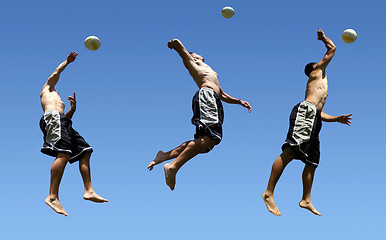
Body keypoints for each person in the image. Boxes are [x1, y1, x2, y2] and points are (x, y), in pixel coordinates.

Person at [262, 29, 353, 216]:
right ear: (314, 68)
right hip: (305, 112)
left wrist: (337, 119)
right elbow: (332, 48)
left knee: (312, 161)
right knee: (290, 152)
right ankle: (268, 192)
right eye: (319, 63)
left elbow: (320, 114)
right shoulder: (317, 72)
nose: (323, 65)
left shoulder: (321, 82)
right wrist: (323, 39)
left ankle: (306, 200)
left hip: (314, 117)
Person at [147, 39, 252, 190]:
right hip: (207, 97)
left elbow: (221, 93)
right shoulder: (195, 65)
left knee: (203, 145)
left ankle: (163, 156)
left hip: (213, 98)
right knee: (211, 138)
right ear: (194, 58)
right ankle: (172, 166)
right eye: (195, 54)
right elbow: (185, 55)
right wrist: (176, 45)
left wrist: (239, 101)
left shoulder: (209, 71)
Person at [40, 52, 108, 216]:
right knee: (63, 153)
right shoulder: (47, 88)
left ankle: (89, 190)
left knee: (86, 150)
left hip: (63, 121)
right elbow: (56, 72)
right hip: (52, 119)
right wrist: (67, 62)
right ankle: (52, 196)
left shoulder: (57, 97)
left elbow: (64, 118)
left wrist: (73, 109)